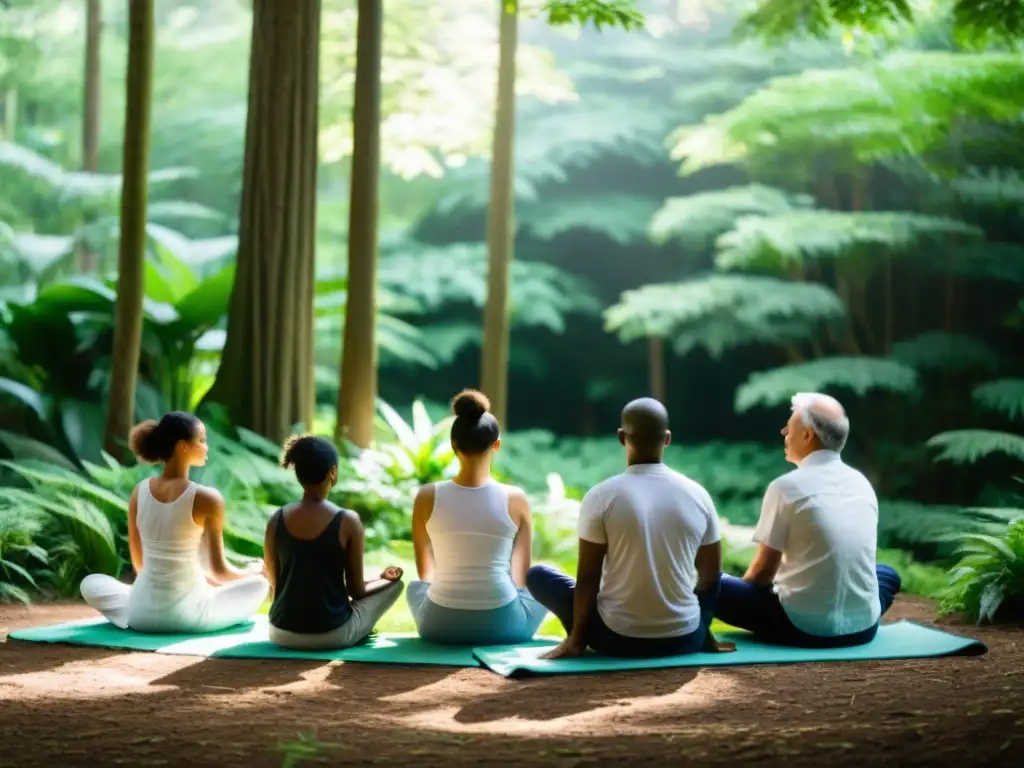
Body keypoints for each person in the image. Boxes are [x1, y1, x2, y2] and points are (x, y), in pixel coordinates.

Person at [528, 397, 731, 659]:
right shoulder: (698, 495)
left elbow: (588, 577)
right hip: (685, 639)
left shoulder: (602, 496)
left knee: (539, 575)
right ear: (667, 439)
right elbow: (711, 579)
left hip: (616, 640)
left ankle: (580, 636)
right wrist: (701, 629)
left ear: (622, 437)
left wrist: (577, 640)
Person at [714, 392, 902, 648]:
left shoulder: (786, 487)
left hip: (802, 629)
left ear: (807, 435)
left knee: (714, 585)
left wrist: (743, 596)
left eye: (789, 427)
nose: (783, 432)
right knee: (887, 574)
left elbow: (761, 575)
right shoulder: (862, 483)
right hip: (863, 628)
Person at [80, 412, 269, 633]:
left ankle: (134, 611)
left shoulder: (138, 492)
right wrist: (254, 573)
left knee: (91, 583)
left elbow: (139, 565)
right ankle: (200, 603)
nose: (207, 447)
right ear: (182, 447)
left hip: (140, 613)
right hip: (189, 617)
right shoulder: (208, 499)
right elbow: (218, 572)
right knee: (259, 586)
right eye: (202, 441)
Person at [406, 389, 548, 645]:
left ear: (453, 445)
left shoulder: (426, 496)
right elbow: (521, 578)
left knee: (414, 588)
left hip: (438, 625)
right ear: (496, 445)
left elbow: (425, 573)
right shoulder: (515, 499)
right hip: (503, 627)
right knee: (548, 579)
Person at [265, 435, 405, 650]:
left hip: (280, 633)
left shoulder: (276, 519)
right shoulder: (347, 521)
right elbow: (356, 591)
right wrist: (384, 580)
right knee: (396, 585)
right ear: (333, 472)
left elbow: (275, 585)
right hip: (333, 635)